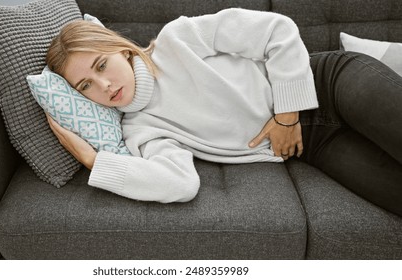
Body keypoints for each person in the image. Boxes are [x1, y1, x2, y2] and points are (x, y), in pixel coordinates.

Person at [45, 8, 402, 216]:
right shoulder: (140, 130)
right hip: (315, 145)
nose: (103, 86)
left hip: (330, 82)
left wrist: (287, 116)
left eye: (102, 65)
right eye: (85, 86)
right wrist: (95, 162)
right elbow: (180, 184)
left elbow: (277, 30)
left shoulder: (178, 39)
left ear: (121, 50)